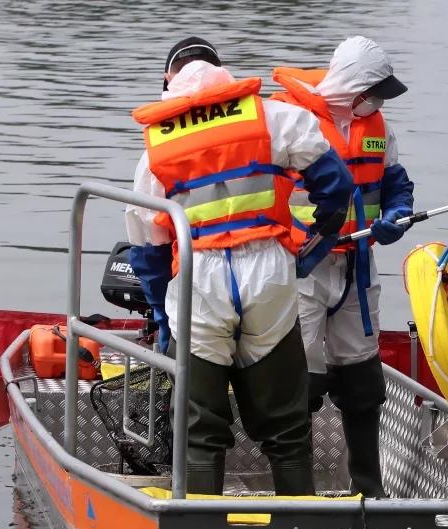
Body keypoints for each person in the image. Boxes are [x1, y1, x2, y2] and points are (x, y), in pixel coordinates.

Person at [124, 37, 354, 496]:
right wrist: (319, 236)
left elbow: (148, 246)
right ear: (222, 70)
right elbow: (335, 182)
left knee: (199, 429)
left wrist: (159, 310)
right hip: (268, 274)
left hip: (199, 280)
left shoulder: (156, 149)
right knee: (287, 428)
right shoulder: (273, 116)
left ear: (169, 79)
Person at [270, 36, 415, 498]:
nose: (378, 100)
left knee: (362, 380)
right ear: (353, 83)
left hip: (358, 265)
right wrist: (298, 243)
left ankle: (369, 491)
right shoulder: (284, 120)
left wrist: (396, 216)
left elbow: (396, 183)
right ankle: (295, 493)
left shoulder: (378, 126)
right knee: (299, 379)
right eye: (373, 89)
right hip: (302, 265)